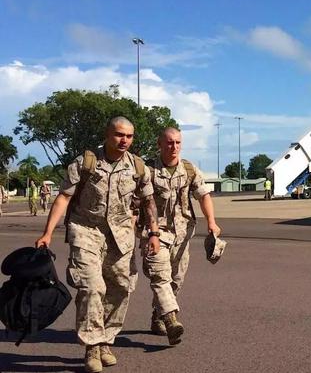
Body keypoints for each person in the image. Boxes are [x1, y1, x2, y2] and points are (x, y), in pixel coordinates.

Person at [35, 116, 161, 373]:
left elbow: (149, 202)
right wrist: (47, 232)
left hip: (121, 236)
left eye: (129, 136)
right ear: (107, 135)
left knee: (121, 289)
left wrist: (154, 233)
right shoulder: (86, 162)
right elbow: (63, 197)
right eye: (118, 134)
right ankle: (91, 346)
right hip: (86, 231)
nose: (124, 140)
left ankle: (106, 340)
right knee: (92, 287)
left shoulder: (138, 167)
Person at [139, 127, 222, 346]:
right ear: (159, 144)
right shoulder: (147, 170)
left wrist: (211, 222)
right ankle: (171, 319)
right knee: (160, 275)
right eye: (169, 143)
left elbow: (203, 195)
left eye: (177, 142)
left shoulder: (189, 169)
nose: (174, 147)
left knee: (176, 280)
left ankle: (158, 317)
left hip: (183, 232)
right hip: (155, 232)